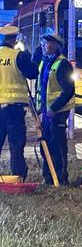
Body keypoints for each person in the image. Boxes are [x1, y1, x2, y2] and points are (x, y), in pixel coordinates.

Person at [0, 25, 38, 179]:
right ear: (14, 39)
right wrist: (29, 56)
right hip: (14, 108)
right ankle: (17, 177)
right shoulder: (19, 56)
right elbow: (33, 73)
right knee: (16, 146)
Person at [36, 33, 75, 185]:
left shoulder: (62, 64)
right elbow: (41, 87)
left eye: (47, 44)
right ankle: (48, 177)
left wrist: (53, 108)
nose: (44, 46)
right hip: (46, 113)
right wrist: (40, 109)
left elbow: (69, 90)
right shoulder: (45, 62)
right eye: (44, 43)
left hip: (57, 113)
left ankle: (60, 178)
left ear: (55, 45)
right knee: (45, 146)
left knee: (58, 146)